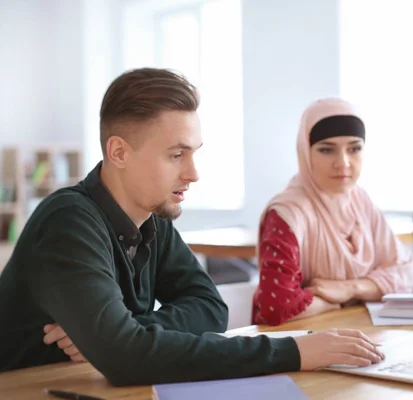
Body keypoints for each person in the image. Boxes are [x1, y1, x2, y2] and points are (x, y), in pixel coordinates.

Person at [0, 68, 384, 384]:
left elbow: (209, 307)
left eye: (194, 153)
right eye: (176, 155)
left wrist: (122, 333)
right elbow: (126, 360)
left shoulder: (153, 214)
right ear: (118, 152)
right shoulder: (68, 223)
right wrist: (294, 350)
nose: (194, 173)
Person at [252, 98, 413, 326]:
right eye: (326, 150)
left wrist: (349, 289)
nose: (343, 163)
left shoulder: (361, 202)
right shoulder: (287, 214)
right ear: (305, 152)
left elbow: (408, 275)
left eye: (354, 149)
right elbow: (277, 307)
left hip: (357, 333)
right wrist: (340, 301)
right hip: (295, 345)